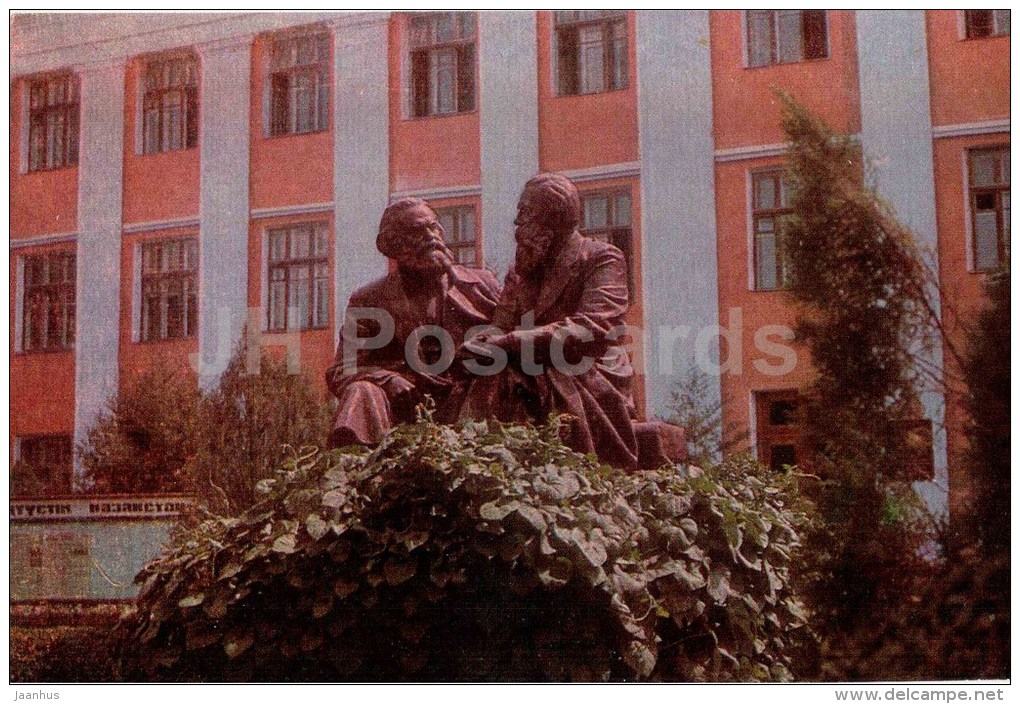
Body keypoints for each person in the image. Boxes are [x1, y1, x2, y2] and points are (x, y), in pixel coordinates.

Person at [458, 173, 640, 468]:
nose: (517, 225)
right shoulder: (522, 269)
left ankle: (526, 470)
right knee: (488, 372)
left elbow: (593, 328)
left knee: (510, 376)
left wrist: (508, 343)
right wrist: (481, 343)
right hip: (528, 365)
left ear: (551, 221)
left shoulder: (602, 258)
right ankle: (478, 465)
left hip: (587, 370)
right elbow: (500, 325)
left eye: (525, 214)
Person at [326, 197, 501, 447]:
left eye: (434, 227)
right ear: (393, 246)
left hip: (471, 401)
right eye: (417, 232)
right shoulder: (369, 300)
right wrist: (388, 379)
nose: (432, 237)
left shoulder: (481, 285)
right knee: (361, 391)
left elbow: (515, 337)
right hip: (406, 412)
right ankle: (352, 476)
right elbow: (342, 369)